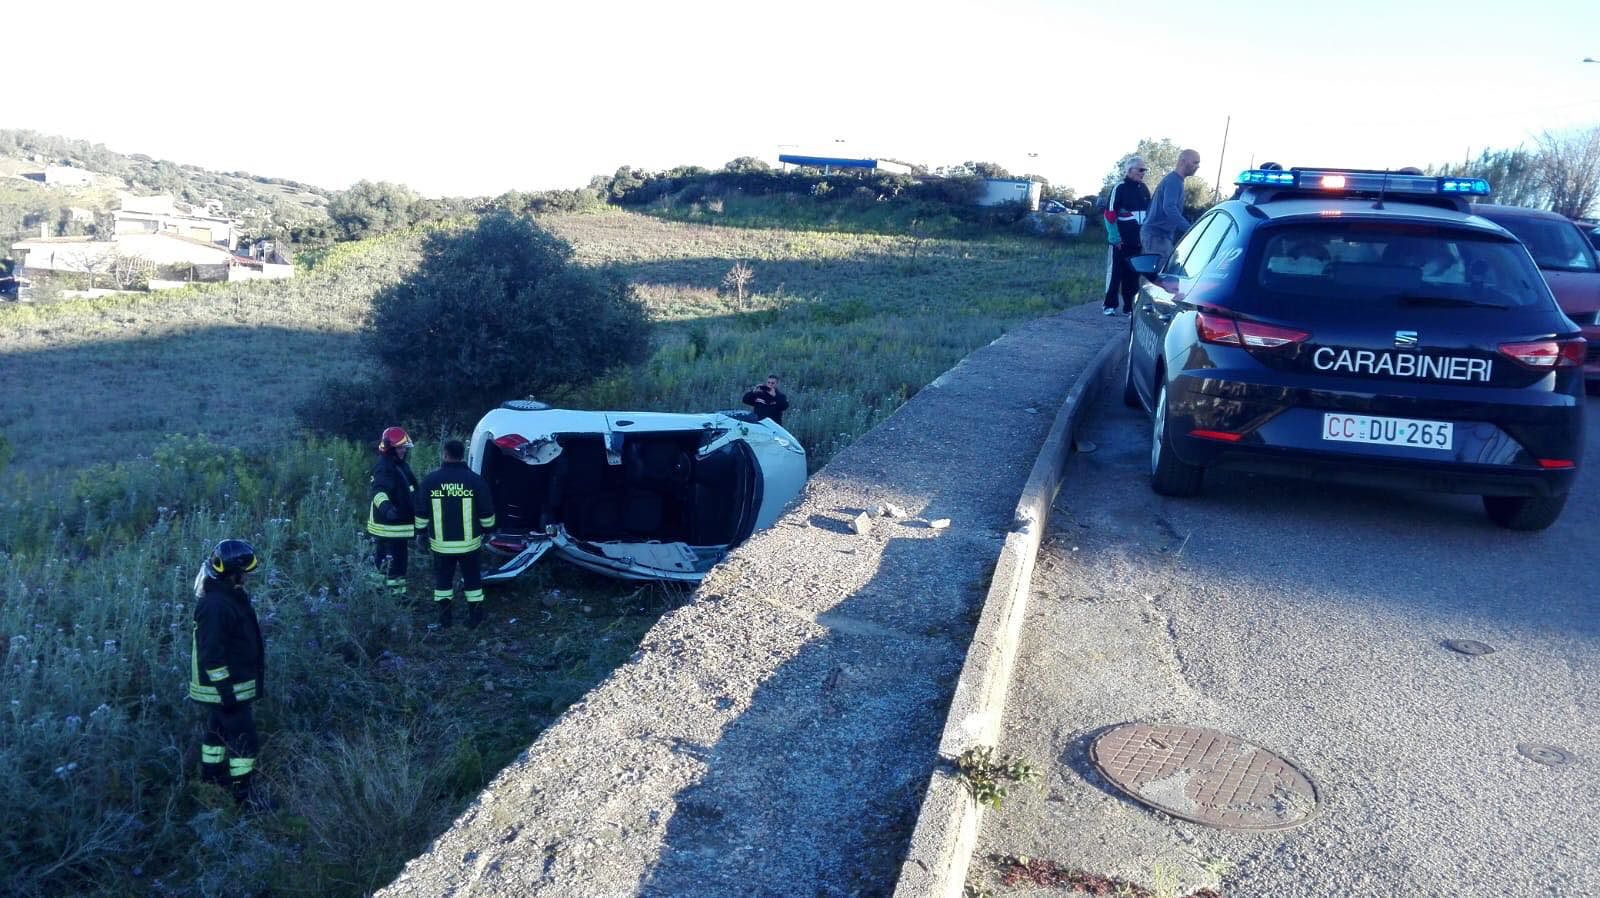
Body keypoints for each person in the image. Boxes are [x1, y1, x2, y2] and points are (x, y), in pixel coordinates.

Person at [188, 539, 266, 806]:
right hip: (225, 689)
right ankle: (244, 797)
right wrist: (226, 693)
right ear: (234, 573)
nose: (248, 577)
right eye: (245, 572)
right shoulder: (216, 606)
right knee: (245, 741)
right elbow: (211, 654)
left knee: (216, 736)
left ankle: (212, 782)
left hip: (226, 688)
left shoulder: (226, 597)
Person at [414, 440, 496, 629]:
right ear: (462, 455)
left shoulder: (430, 481)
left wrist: (421, 534)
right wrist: (487, 531)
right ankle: (475, 619)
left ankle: (445, 620)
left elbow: (421, 513)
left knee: (443, 582)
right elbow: (487, 513)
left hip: (441, 546)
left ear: (445, 454)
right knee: (473, 581)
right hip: (470, 545)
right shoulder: (475, 481)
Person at [367, 426, 419, 599]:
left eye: (404, 447)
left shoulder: (398, 465)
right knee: (396, 566)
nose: (403, 450)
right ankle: (397, 600)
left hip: (397, 526)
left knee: (385, 563)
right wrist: (388, 509)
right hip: (390, 527)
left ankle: (378, 596)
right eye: (399, 447)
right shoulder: (385, 467)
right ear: (390, 449)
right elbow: (378, 492)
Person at [1103, 156, 1151, 315]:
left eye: (1144, 170)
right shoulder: (1119, 188)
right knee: (1115, 274)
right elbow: (1109, 214)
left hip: (1137, 242)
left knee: (1132, 275)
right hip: (1120, 242)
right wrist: (1115, 238)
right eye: (1140, 170)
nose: (1143, 173)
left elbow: (1148, 214)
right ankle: (1109, 305)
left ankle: (1129, 307)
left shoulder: (1144, 189)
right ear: (1130, 170)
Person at [1142, 149, 1201, 261]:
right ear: (1183, 161)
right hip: (1157, 236)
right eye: (1195, 162)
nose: (1198, 166)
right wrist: (1190, 229)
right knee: (1160, 271)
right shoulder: (1174, 181)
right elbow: (1169, 208)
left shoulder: (1175, 180)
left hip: (1159, 236)